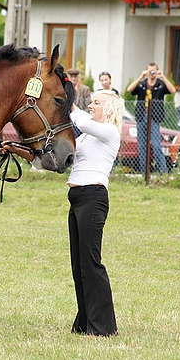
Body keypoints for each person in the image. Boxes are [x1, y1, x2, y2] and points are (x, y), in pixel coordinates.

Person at [67, 90, 122, 337]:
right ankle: (85, 321)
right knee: (78, 265)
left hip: (93, 199)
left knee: (91, 262)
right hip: (77, 198)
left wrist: (67, 101)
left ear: (108, 109)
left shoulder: (109, 131)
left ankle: (103, 327)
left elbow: (80, 120)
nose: (91, 105)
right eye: (91, 102)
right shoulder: (89, 137)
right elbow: (62, 160)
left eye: (96, 102)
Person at [127, 63, 176, 173]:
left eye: (154, 71)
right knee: (142, 146)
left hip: (154, 117)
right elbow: (129, 90)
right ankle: (145, 172)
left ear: (157, 71)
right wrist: (141, 76)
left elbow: (173, 91)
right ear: (146, 71)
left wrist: (163, 77)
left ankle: (162, 171)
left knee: (156, 145)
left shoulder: (160, 84)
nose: (152, 73)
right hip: (141, 116)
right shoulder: (142, 84)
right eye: (150, 71)